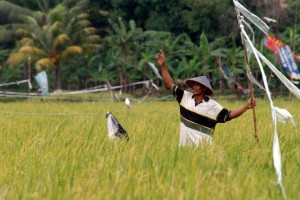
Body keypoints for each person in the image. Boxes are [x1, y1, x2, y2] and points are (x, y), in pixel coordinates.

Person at [155, 49, 257, 147]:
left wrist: (246, 107)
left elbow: (229, 115)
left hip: (203, 154)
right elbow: (170, 85)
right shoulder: (185, 97)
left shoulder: (212, 106)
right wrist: (163, 65)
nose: (194, 87)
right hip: (183, 152)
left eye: (197, 85)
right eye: (193, 84)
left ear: (204, 88)